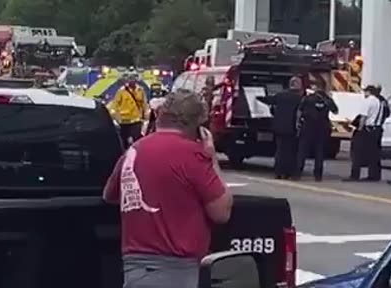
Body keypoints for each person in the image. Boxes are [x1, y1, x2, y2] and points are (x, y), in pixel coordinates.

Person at [102, 89, 232, 288]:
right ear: (197, 127)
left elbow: (110, 195)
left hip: (135, 269)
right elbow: (222, 212)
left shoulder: (133, 152)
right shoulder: (191, 155)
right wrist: (212, 157)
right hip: (175, 269)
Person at [257, 77, 304, 179]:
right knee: (291, 152)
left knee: (280, 151)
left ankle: (278, 172)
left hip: (279, 128)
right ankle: (289, 172)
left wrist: (256, 97)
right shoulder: (300, 99)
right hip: (292, 129)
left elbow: (269, 100)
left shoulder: (280, 95)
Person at [296, 77, 338, 182]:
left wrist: (298, 123)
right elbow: (335, 111)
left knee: (302, 151)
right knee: (319, 152)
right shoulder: (327, 99)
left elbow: (299, 111)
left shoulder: (308, 98)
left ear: (316, 87)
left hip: (308, 127)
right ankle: (318, 175)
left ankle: (297, 173)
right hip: (322, 128)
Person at [346, 84, 387, 182]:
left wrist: (359, 129)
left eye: (365, 91)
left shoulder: (367, 101)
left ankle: (355, 175)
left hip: (367, 129)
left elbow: (363, 117)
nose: (364, 93)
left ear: (369, 92)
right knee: (374, 154)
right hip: (377, 129)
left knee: (357, 152)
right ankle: (374, 175)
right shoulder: (379, 101)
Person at [110, 73, 148, 147]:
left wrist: (146, 117)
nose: (132, 81)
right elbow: (115, 105)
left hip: (136, 120)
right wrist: (116, 118)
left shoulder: (140, 90)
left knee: (136, 139)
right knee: (124, 140)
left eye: (133, 79)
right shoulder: (121, 91)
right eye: (130, 79)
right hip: (124, 120)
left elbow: (144, 104)